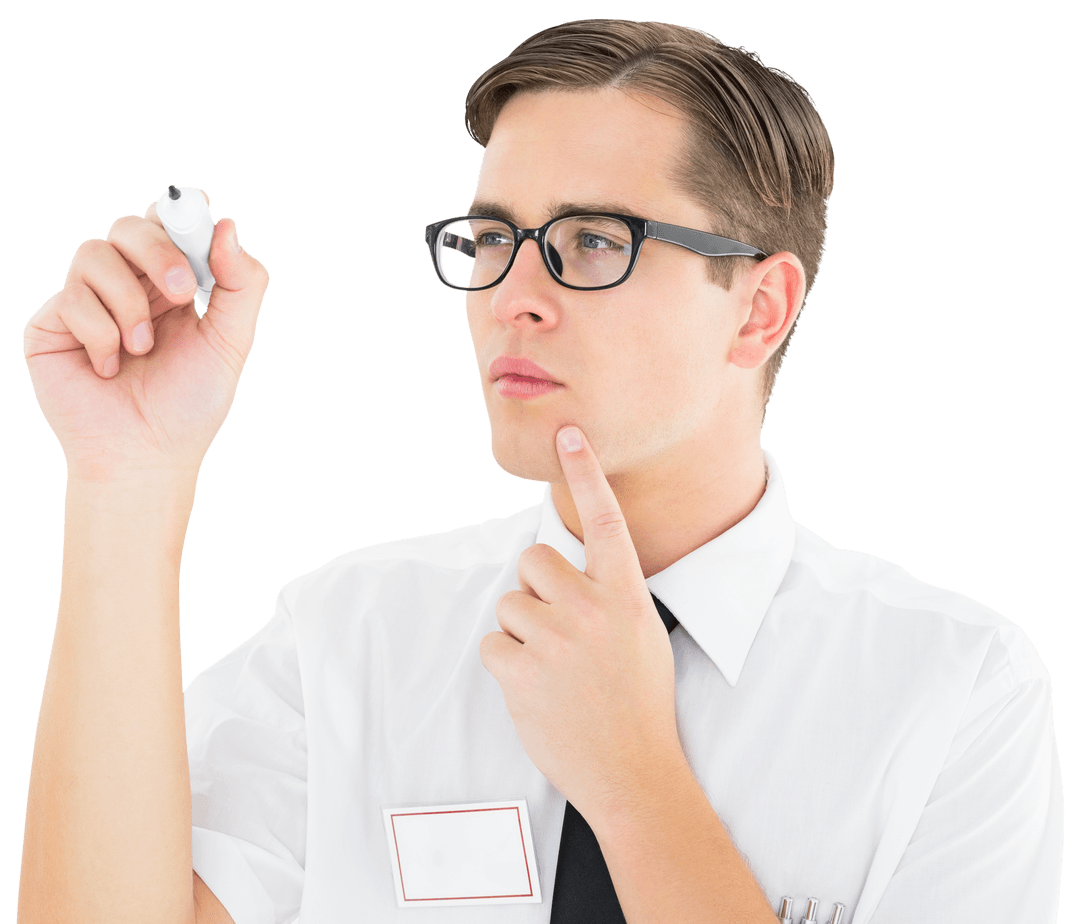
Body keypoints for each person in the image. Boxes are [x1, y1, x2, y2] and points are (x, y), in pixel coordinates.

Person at [17, 18, 1062, 924]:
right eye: (491, 238)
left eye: (592, 241)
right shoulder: (353, 636)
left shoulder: (956, 689)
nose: (512, 293)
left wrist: (636, 780)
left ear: (759, 307)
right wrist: (126, 485)